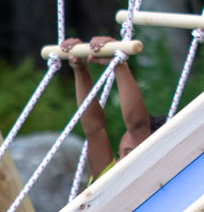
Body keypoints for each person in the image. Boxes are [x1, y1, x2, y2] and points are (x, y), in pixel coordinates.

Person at [66, 38, 155, 179]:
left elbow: (137, 126)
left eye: (129, 153)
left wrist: (120, 64)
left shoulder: (153, 175)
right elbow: (93, 130)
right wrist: (79, 68)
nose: (118, 163)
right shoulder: (109, 180)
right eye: (119, 155)